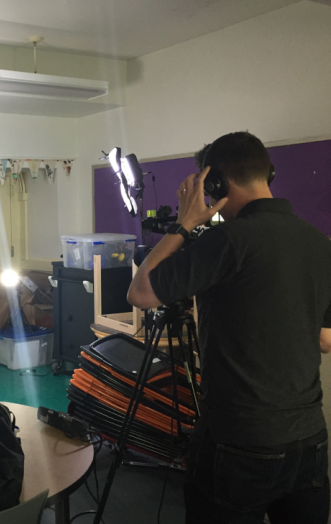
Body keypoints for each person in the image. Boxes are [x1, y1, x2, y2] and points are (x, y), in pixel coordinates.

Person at [127, 131, 331, 523]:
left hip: (238, 441)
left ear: (215, 183)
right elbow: (325, 339)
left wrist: (185, 223)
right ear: (266, 173)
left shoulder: (227, 240)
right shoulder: (320, 243)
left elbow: (141, 293)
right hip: (309, 440)